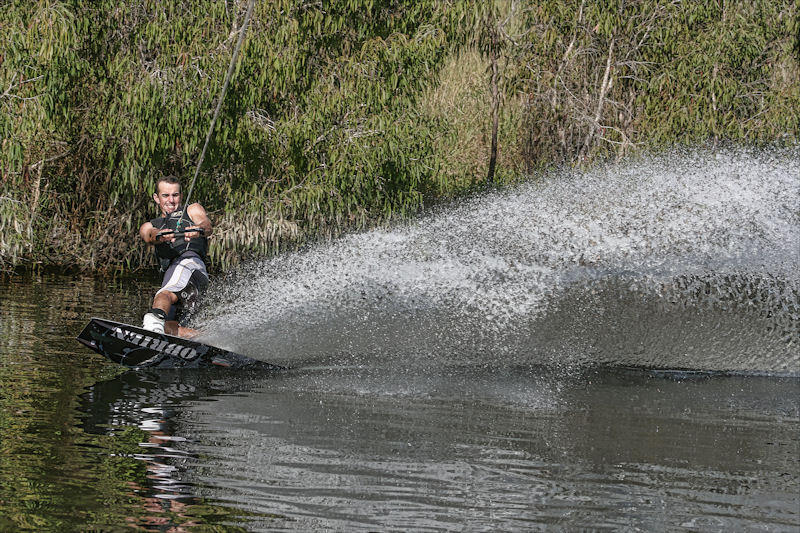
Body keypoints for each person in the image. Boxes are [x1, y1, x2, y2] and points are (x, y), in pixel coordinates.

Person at [139, 176, 213, 336]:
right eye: (165, 195)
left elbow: (206, 224)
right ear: (156, 198)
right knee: (169, 328)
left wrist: (199, 229)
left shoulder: (191, 210)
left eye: (175, 195)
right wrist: (159, 235)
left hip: (189, 265)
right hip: (180, 278)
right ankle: (211, 342)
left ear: (181, 195)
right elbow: (148, 234)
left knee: (163, 295)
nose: (171, 200)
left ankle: (152, 327)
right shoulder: (150, 225)